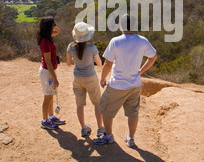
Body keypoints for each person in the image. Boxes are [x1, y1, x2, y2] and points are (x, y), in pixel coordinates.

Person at [93, 14, 157, 148]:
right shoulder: (143, 41)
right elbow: (153, 57)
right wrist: (141, 70)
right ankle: (131, 138)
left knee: (105, 109)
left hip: (117, 85)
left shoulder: (116, 41)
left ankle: (108, 136)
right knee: (133, 113)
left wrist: (103, 78)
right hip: (135, 84)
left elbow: (108, 63)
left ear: (121, 25)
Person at [66, 22, 105, 138]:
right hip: (90, 77)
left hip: (77, 78)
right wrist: (89, 61)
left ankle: (83, 128)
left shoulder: (70, 47)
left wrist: (77, 61)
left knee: (79, 104)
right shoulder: (92, 48)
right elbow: (99, 63)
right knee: (97, 104)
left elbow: (68, 63)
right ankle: (100, 128)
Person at [37, 16, 66, 130]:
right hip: (47, 72)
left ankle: (51, 117)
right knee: (47, 96)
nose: (55, 27)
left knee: (51, 95)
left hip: (50, 71)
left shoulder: (47, 37)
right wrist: (54, 78)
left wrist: (53, 26)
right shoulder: (45, 41)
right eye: (53, 25)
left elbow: (58, 31)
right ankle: (44, 121)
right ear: (49, 27)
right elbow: (48, 62)